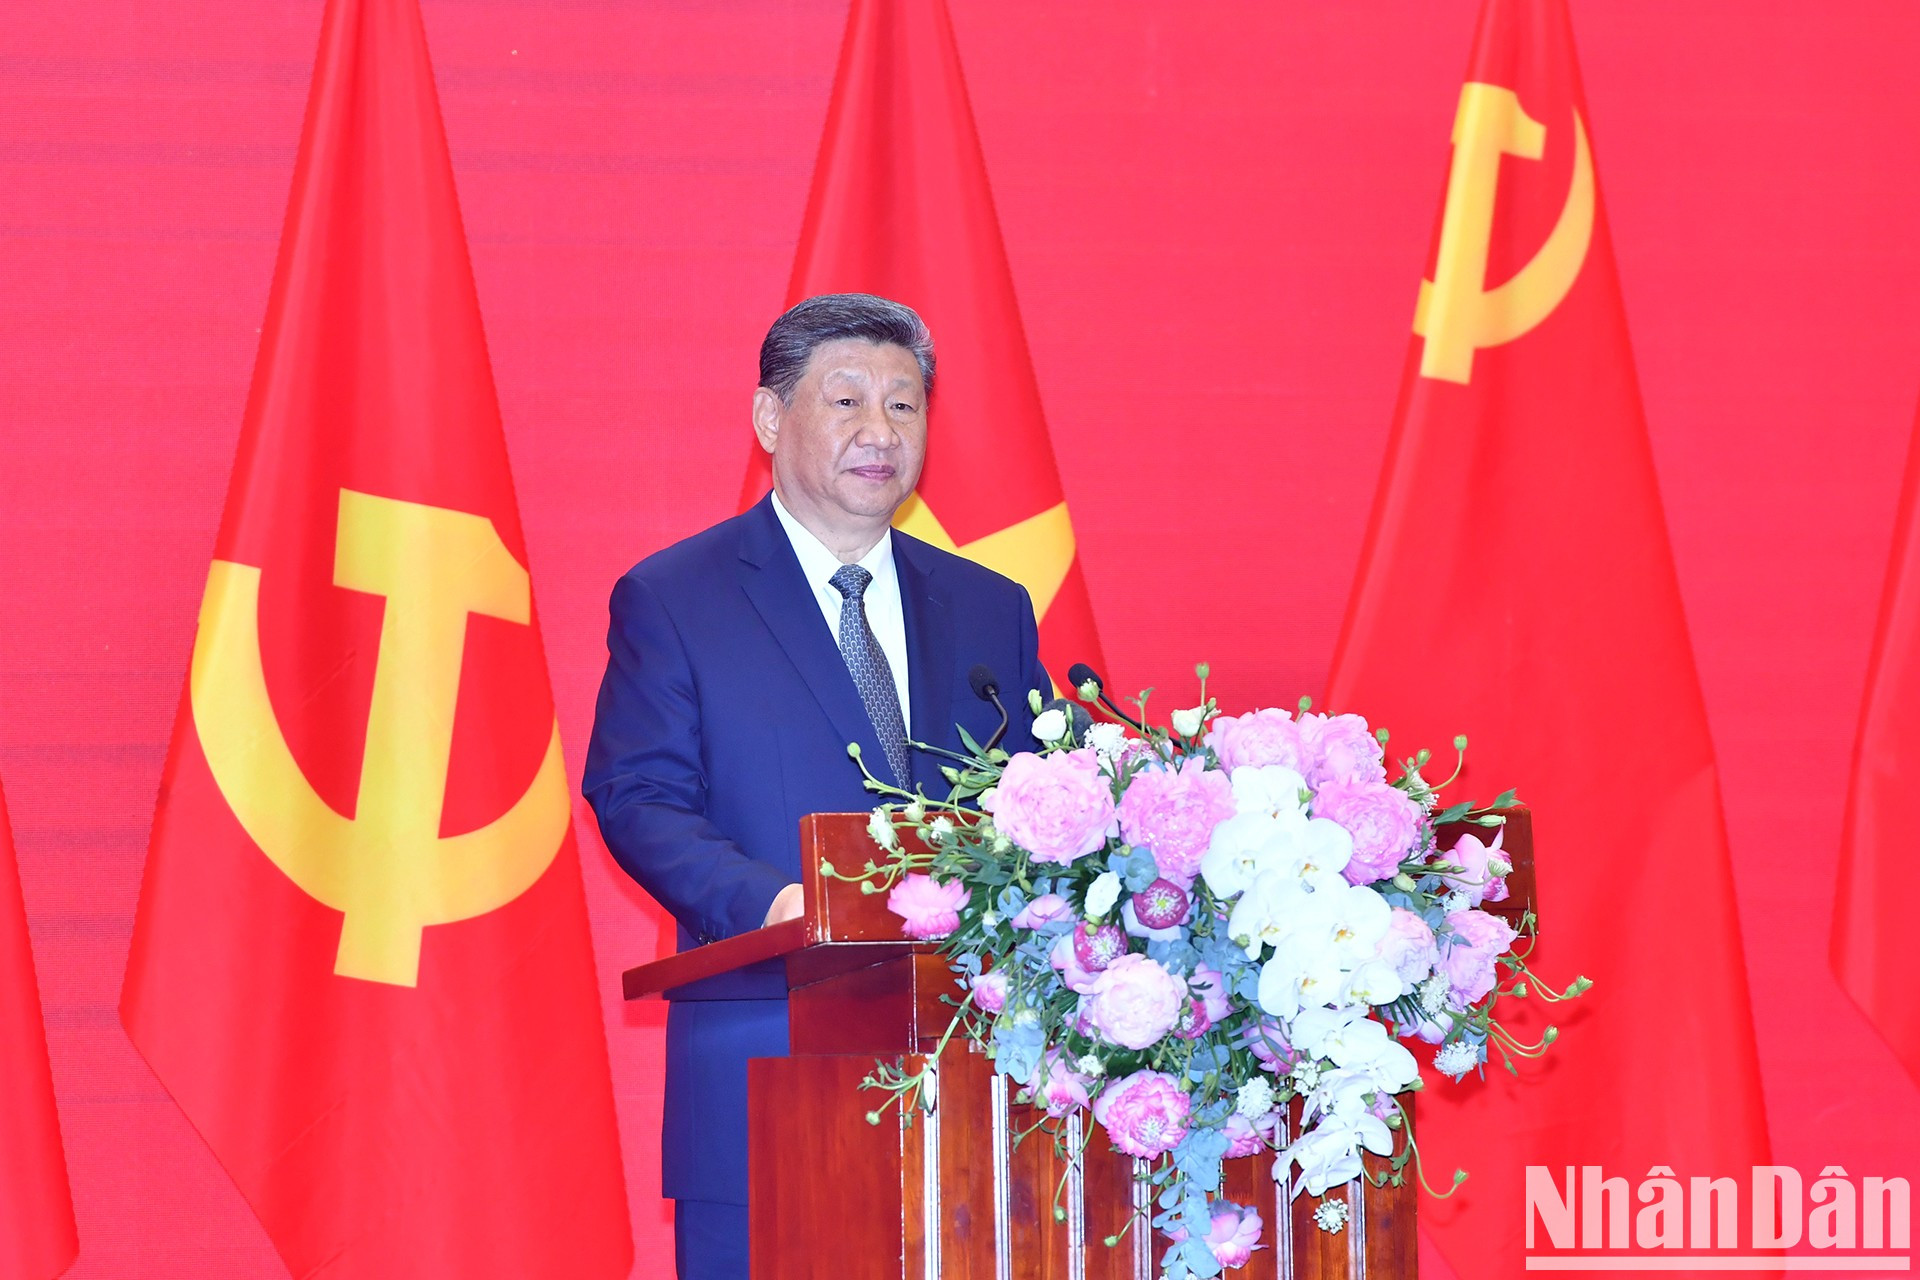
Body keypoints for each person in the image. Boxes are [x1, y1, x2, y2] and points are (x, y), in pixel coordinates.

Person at [583, 293, 1049, 1279]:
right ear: (770, 418)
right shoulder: (676, 597)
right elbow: (638, 794)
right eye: (846, 401)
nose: (880, 431)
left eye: (904, 404)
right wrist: (776, 903)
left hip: (977, 1075)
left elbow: (1047, 800)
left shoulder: (990, 607)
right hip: (764, 1061)